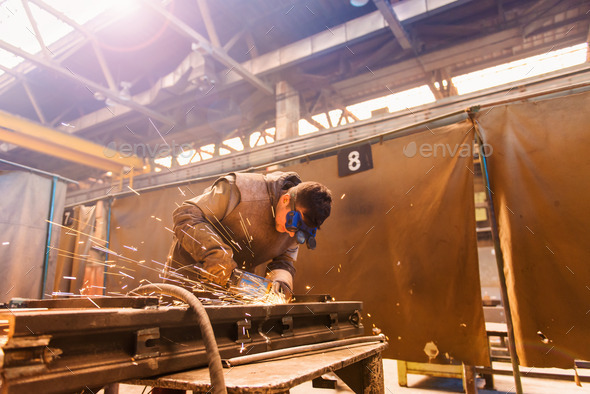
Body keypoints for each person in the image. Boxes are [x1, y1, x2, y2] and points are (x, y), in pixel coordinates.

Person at [166, 171, 332, 299]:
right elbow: (186, 215)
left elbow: (284, 261)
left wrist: (281, 283)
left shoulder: (295, 226)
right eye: (292, 224)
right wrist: (217, 257)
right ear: (286, 199)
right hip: (186, 284)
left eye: (299, 232)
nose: (290, 233)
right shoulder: (241, 190)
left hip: (232, 295)